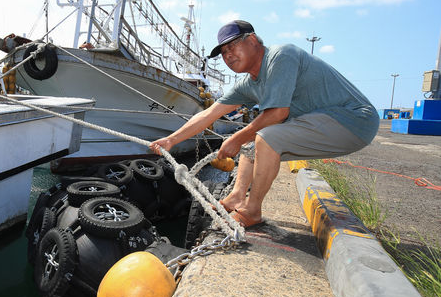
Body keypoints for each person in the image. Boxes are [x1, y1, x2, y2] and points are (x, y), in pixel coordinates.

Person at [150, 20, 379, 228]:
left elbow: (278, 113)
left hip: (353, 120)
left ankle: (252, 210)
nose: (228, 56)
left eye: (232, 47)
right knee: (252, 145)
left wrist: (237, 137)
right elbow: (209, 113)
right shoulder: (248, 84)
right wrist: (172, 139)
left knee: (267, 137)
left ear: (252, 40)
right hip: (322, 124)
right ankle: (238, 196)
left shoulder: (281, 56)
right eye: (224, 53)